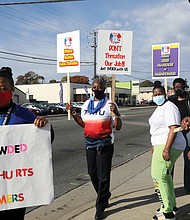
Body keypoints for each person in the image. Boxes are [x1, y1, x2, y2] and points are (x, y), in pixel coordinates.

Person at [0, 67, 54, 220]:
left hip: (15, 187)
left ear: (12, 90)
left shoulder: (24, 114)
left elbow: (44, 140)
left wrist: (43, 126)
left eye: (3, 89)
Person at [66, 75, 122, 220]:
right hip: (89, 144)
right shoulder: (86, 104)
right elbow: (83, 124)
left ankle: (100, 206)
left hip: (104, 144)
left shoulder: (110, 104)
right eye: (94, 87)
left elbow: (118, 127)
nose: (96, 90)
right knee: (92, 173)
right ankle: (105, 194)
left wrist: (116, 113)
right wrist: (73, 113)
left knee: (103, 177)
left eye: (100, 87)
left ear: (105, 88)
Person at [149, 81, 186, 220]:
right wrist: (154, 146)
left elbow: (173, 129)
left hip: (169, 145)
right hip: (160, 144)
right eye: (155, 94)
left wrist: (166, 149)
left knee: (158, 177)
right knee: (166, 176)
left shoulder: (169, 107)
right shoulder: (160, 107)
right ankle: (171, 205)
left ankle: (167, 212)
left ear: (165, 95)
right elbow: (158, 130)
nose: (157, 96)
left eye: (160, 94)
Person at [168, 78, 190, 193]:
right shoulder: (171, 100)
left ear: (184, 86)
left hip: (187, 131)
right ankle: (169, 187)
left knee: (188, 159)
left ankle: (188, 186)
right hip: (175, 131)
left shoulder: (188, 98)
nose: (178, 89)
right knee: (170, 160)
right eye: (176, 87)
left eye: (180, 86)